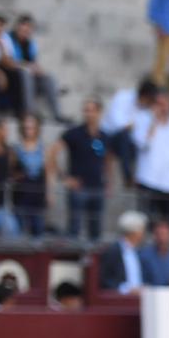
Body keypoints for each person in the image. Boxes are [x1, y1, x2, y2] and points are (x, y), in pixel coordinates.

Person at [52, 98, 112, 240]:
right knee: (74, 228)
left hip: (97, 187)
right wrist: (65, 178)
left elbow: (108, 160)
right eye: (86, 110)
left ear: (99, 112)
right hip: (79, 188)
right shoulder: (75, 133)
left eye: (92, 110)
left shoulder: (104, 136)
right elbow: (52, 153)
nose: (89, 114)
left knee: (95, 229)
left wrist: (108, 181)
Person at [132, 91, 169, 225]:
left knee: (166, 223)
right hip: (148, 180)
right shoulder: (143, 120)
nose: (162, 108)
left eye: (165, 104)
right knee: (145, 222)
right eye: (159, 104)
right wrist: (154, 123)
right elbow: (142, 144)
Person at [5, 16, 66, 123]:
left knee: (48, 78)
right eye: (24, 28)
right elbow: (7, 62)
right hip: (12, 76)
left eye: (29, 29)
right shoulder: (8, 39)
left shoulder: (30, 44)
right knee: (26, 72)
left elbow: (34, 63)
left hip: (26, 75)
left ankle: (57, 114)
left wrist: (39, 71)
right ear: (18, 27)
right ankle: (30, 112)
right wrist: (25, 66)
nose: (26, 31)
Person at [8, 115, 49, 238]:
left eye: (31, 127)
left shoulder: (43, 148)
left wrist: (48, 193)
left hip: (37, 192)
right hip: (21, 192)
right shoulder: (16, 149)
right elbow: (11, 171)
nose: (28, 130)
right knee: (19, 227)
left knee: (38, 227)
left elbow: (47, 172)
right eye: (26, 127)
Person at [98, 211, 149, 293]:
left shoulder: (138, 251)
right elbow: (105, 280)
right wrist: (127, 290)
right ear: (134, 232)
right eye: (141, 230)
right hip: (119, 301)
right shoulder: (113, 251)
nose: (143, 234)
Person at [138, 219, 169, 287]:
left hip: (167, 294)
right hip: (150, 293)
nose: (161, 238)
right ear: (154, 236)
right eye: (159, 234)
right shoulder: (144, 255)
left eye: (164, 234)